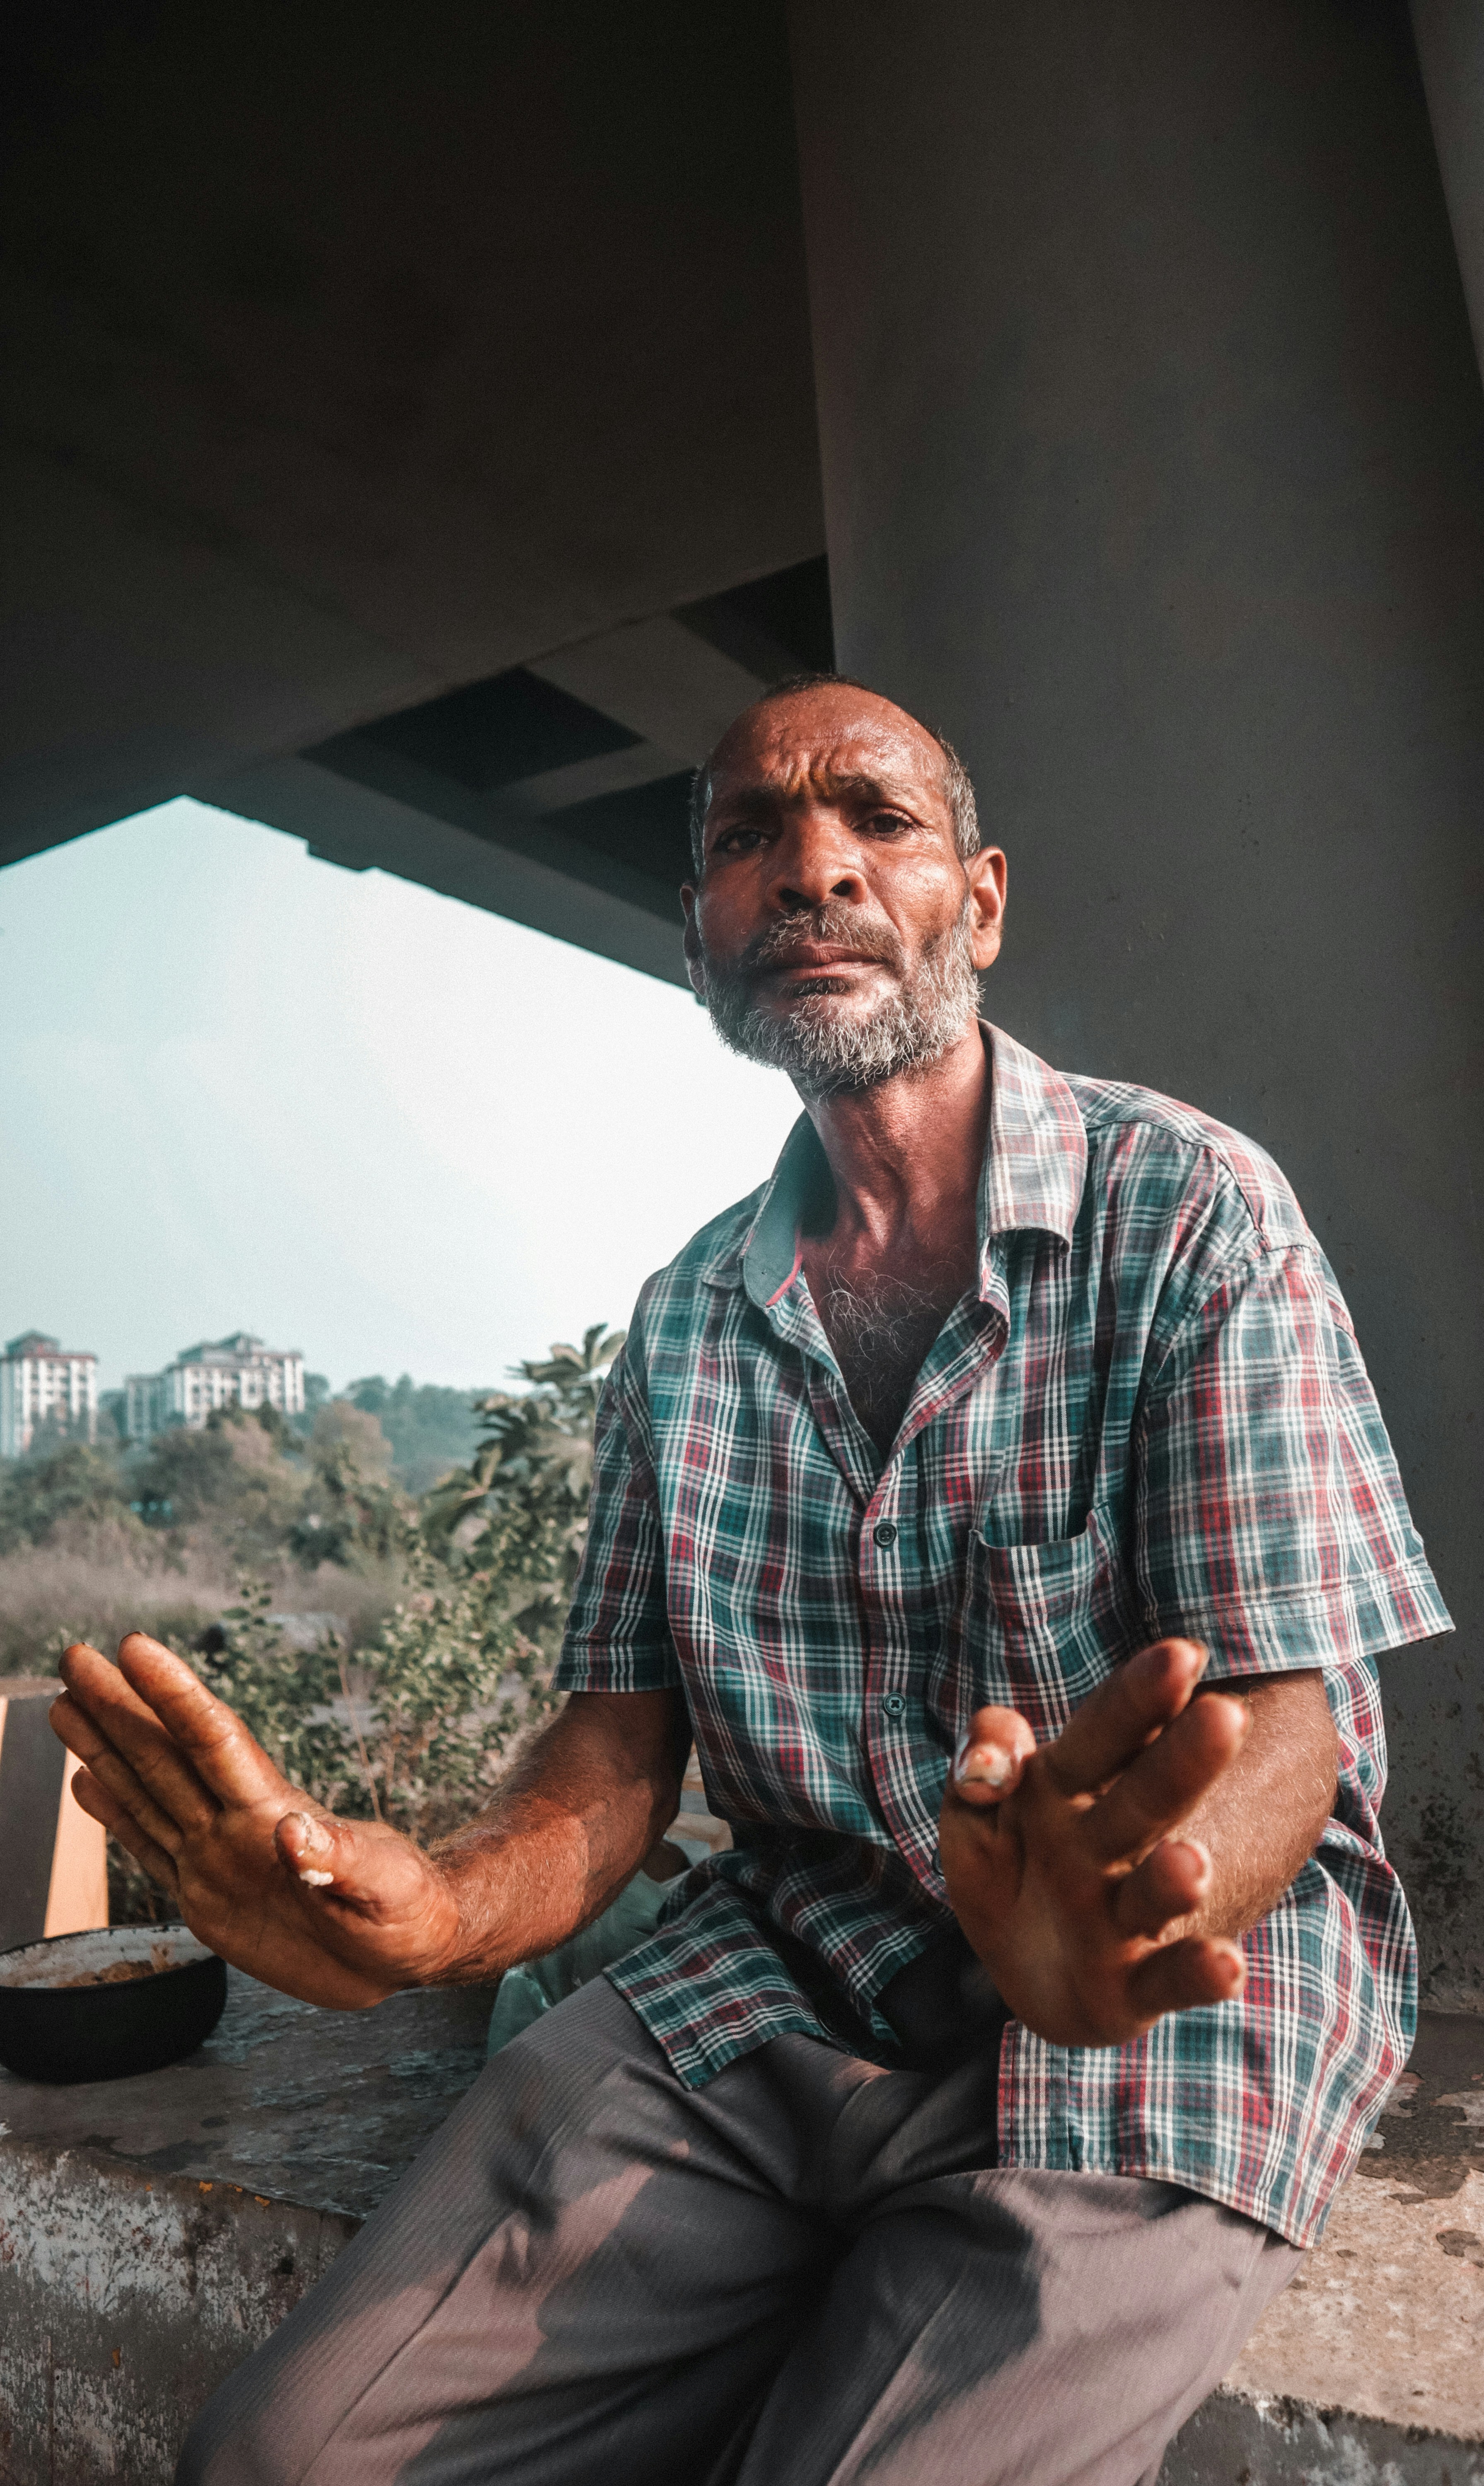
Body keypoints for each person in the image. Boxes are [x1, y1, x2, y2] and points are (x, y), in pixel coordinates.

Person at [53, 678, 1450, 2486]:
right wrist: (431, 1906)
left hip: (1161, 2005)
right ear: (699, 940)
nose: (810, 871)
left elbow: (1286, 1722)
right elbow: (613, 1758)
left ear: (985, 899)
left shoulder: (1190, 1212)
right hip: (782, 1971)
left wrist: (1126, 1908)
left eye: (875, 819)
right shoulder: (688, 1320)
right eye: (744, 838)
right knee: (287, 2459)